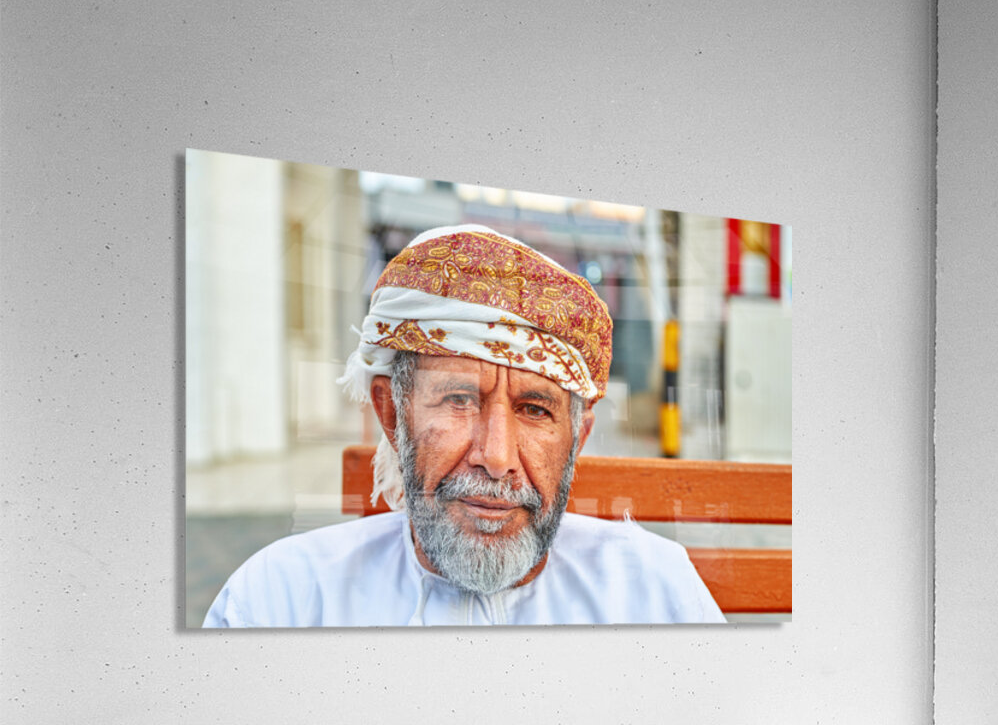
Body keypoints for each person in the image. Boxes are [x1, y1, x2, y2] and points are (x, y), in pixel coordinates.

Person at [203, 225, 724, 626]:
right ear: (392, 413)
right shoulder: (282, 599)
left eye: (535, 410)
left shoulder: (658, 593)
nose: (496, 458)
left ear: (577, 438)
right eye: (458, 400)